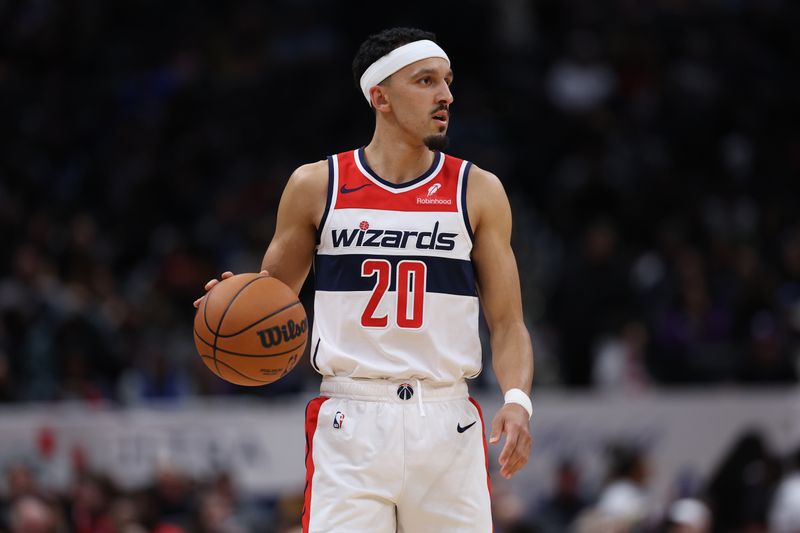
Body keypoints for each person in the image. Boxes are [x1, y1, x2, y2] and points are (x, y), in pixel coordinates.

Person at [195, 27, 534, 532]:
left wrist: (517, 402)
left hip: (446, 417)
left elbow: (507, 323)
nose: (445, 95)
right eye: (425, 81)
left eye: (447, 81)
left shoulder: (477, 190)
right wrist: (232, 299)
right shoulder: (318, 185)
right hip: (351, 418)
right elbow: (272, 299)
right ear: (380, 97)